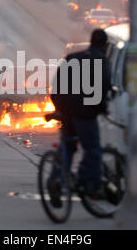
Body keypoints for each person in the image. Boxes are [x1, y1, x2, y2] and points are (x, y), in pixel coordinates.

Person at [50, 29, 112, 200]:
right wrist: (102, 109)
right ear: (105, 46)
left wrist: (60, 107)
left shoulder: (72, 58)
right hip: (85, 115)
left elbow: (55, 86)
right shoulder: (101, 61)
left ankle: (57, 180)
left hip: (67, 112)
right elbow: (104, 88)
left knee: (68, 147)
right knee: (93, 150)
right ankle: (89, 184)